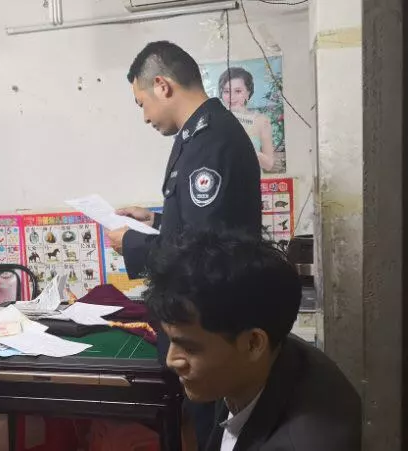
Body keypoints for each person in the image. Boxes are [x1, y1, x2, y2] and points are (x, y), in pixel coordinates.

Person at [104, 41, 262, 449]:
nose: (144, 117)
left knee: (213, 430)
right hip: (204, 315)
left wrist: (132, 245)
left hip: (211, 320)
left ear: (162, 85)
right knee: (205, 424)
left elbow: (201, 248)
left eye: (141, 103)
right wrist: (154, 220)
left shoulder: (211, 140)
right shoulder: (198, 135)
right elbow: (202, 221)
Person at [145, 229, 362, 451]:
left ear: (253, 344)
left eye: (190, 348)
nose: (171, 361)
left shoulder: (302, 442)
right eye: (171, 340)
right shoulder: (261, 349)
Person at [218, 67, 276, 171]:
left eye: (238, 91)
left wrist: (245, 146)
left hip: (251, 179)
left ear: (248, 93)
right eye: (226, 91)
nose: (231, 97)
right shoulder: (216, 120)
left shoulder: (261, 121)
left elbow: (269, 164)